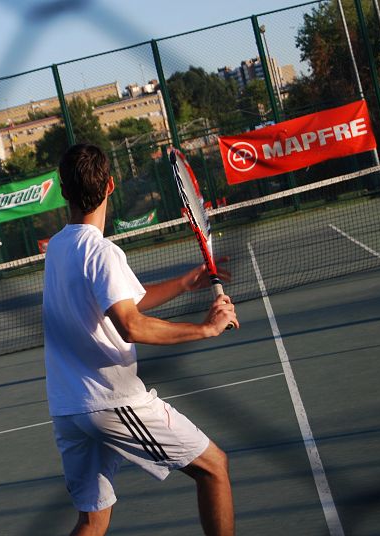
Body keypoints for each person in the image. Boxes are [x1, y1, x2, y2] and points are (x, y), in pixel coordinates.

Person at [43, 144, 239, 536]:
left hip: (68, 407)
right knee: (214, 467)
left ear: (63, 191)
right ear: (111, 185)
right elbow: (131, 324)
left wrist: (186, 283)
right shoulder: (102, 252)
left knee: (93, 520)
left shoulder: (59, 248)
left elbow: (122, 300)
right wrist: (206, 328)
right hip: (111, 402)